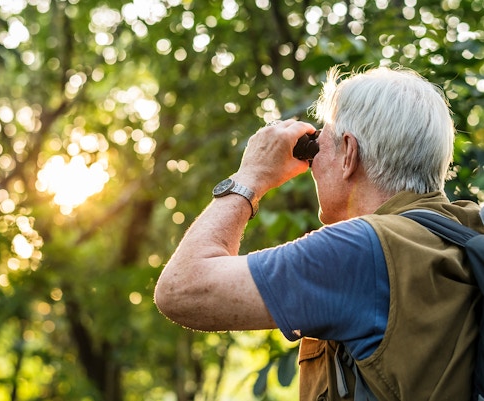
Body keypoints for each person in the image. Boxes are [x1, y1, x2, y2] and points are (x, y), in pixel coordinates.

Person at [154, 65, 484, 400]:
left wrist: (250, 176)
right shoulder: (467, 228)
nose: (311, 165)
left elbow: (182, 289)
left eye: (316, 149)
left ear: (349, 154)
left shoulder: (360, 250)